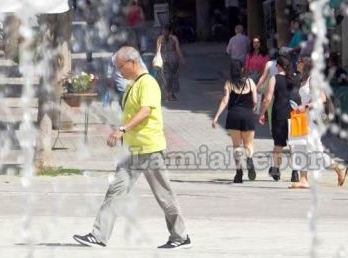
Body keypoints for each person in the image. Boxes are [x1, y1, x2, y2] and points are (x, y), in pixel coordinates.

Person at [73, 46, 191, 249]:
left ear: (132, 62)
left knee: (164, 196)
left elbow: (145, 111)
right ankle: (99, 236)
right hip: (132, 150)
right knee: (115, 190)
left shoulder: (148, 84)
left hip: (149, 149)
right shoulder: (131, 84)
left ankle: (180, 237)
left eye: (120, 66)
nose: (119, 70)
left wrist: (122, 129)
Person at [289, 57, 347, 189]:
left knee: (314, 148)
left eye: (299, 61)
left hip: (312, 118)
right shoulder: (303, 79)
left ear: (305, 65)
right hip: (303, 117)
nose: (296, 63)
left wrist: (306, 107)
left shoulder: (313, 79)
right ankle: (303, 179)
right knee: (300, 146)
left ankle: (338, 167)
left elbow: (322, 98)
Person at [212, 59, 258, 183]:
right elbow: (255, 101)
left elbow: (225, 101)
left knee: (236, 146)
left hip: (234, 116)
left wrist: (216, 117)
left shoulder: (229, 83)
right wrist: (252, 109)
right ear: (242, 69)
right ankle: (249, 159)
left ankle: (239, 172)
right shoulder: (251, 82)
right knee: (248, 145)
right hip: (248, 115)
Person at [258, 55, 298, 182]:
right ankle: (295, 172)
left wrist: (262, 113)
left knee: (278, 143)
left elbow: (268, 98)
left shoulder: (274, 79)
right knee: (293, 144)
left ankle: (276, 169)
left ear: (279, 66)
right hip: (292, 113)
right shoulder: (294, 78)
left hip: (279, 113)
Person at [156, 24, 185, 101]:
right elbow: (177, 49)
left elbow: (157, 50)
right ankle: (171, 94)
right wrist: (182, 59)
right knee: (173, 77)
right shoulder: (174, 38)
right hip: (173, 59)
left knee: (165, 77)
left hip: (164, 59)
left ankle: (167, 95)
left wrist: (156, 59)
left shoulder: (160, 38)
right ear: (171, 31)